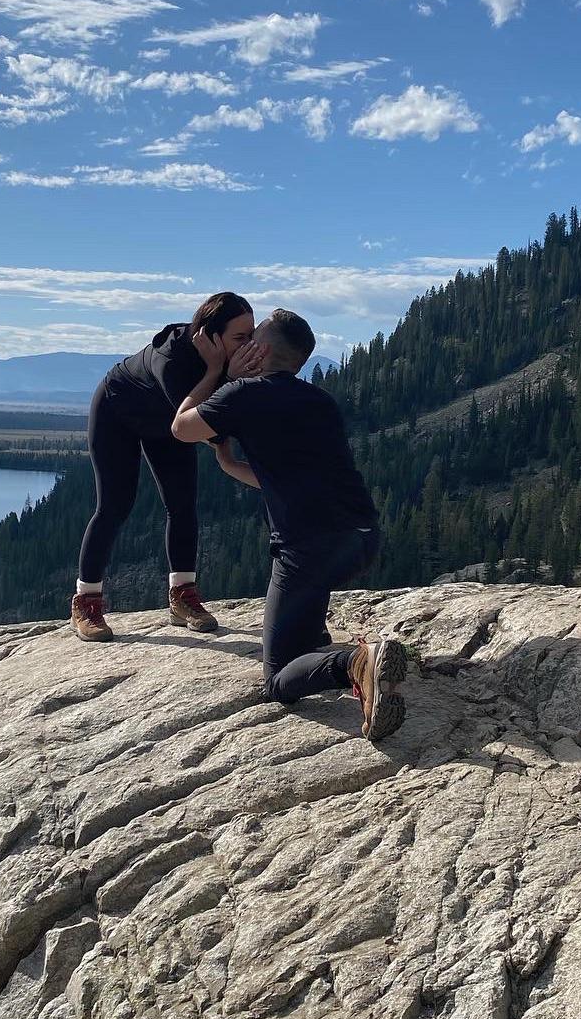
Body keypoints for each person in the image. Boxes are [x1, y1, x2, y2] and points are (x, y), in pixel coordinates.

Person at [170, 307, 406, 742]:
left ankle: (355, 663)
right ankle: (326, 650)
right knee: (303, 622)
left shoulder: (243, 394)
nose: (245, 343)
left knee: (278, 681)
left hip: (308, 549)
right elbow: (282, 475)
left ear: (260, 348)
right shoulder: (319, 400)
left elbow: (182, 428)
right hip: (362, 540)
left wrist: (216, 371)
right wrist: (230, 464)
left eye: (251, 337)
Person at [72, 291, 265, 642]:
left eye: (251, 335)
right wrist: (219, 373)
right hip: (118, 412)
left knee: (182, 504)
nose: (248, 344)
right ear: (209, 335)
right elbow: (194, 424)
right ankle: (86, 602)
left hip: (166, 422)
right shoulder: (172, 357)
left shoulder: (230, 359)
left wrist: (229, 375)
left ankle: (183, 597)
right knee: (114, 506)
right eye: (240, 337)